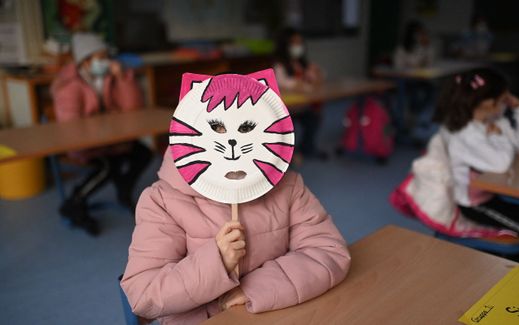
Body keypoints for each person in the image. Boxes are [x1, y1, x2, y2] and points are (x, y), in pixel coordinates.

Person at [120, 152, 351, 324]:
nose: (231, 144)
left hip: (278, 311)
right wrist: (217, 262)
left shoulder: (288, 185)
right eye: (218, 126)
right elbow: (144, 294)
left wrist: (254, 289)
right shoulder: (161, 200)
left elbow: (327, 250)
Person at [51, 32, 152, 236]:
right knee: (108, 167)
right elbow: (71, 128)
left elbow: (134, 107)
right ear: (85, 61)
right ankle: (74, 202)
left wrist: (122, 78)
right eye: (101, 57)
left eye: (107, 56)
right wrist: (106, 126)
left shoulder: (110, 78)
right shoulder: (69, 86)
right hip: (85, 145)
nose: (106, 62)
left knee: (144, 153)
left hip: (112, 141)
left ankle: (124, 189)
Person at [433, 68, 519, 233]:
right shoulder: (466, 134)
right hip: (473, 204)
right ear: (488, 104)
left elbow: (517, 145)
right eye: (503, 98)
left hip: (489, 194)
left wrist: (517, 110)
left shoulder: (488, 121)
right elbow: (501, 164)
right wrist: (499, 136)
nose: (507, 101)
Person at [273, 28, 326, 160]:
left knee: (315, 117)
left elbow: (316, 78)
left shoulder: (302, 64)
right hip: (286, 108)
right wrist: (298, 84)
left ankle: (307, 148)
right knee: (290, 127)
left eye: (299, 43)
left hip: (303, 105)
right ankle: (287, 154)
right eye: (294, 43)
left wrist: (317, 73)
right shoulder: (279, 65)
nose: (297, 46)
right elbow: (283, 82)